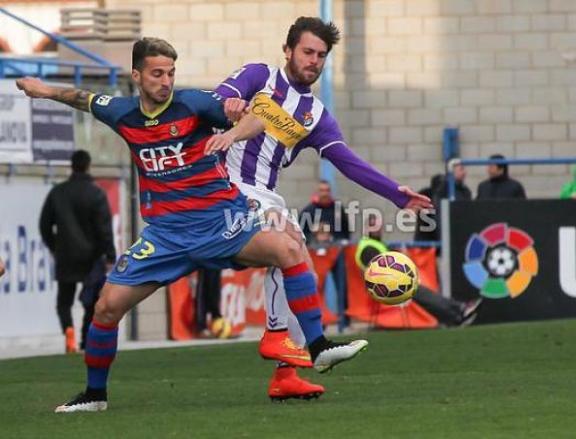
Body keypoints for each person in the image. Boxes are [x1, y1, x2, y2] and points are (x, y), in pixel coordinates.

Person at [16, 37, 367, 413]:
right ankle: (95, 394)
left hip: (221, 224)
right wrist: (44, 90)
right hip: (165, 237)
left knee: (289, 247)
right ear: (136, 75)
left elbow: (255, 117)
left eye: (170, 73)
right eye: (156, 73)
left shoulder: (194, 103)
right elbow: (82, 98)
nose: (165, 81)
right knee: (106, 307)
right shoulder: (121, 112)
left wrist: (231, 130)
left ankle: (318, 347)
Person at [207, 17, 432, 401]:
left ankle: (286, 375)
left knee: (301, 266)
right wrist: (227, 103)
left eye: (321, 56)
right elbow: (218, 98)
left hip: (264, 194)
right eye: (308, 52)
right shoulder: (259, 75)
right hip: (224, 186)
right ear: (288, 50)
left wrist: (396, 194)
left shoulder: (315, 114)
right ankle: (283, 338)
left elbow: (347, 161)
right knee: (290, 241)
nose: (314, 60)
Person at [39, 150, 116, 353]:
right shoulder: (96, 193)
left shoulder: (58, 192)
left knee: (64, 300)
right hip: (91, 257)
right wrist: (110, 254)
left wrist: (54, 246)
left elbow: (44, 225)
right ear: (88, 166)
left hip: (65, 254)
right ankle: (85, 339)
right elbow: (104, 228)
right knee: (91, 301)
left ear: (71, 166)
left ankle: (68, 331)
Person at [357, 214, 480, 327]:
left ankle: (454, 317)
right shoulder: (368, 247)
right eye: (373, 226)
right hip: (383, 288)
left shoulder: (376, 244)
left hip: (390, 284)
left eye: (379, 226)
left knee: (421, 292)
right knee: (419, 291)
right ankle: (459, 310)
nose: (378, 229)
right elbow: (379, 271)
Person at [414, 159, 471, 242]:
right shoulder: (442, 191)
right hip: (442, 235)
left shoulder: (465, 191)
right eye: (461, 169)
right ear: (451, 172)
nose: (464, 172)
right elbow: (439, 214)